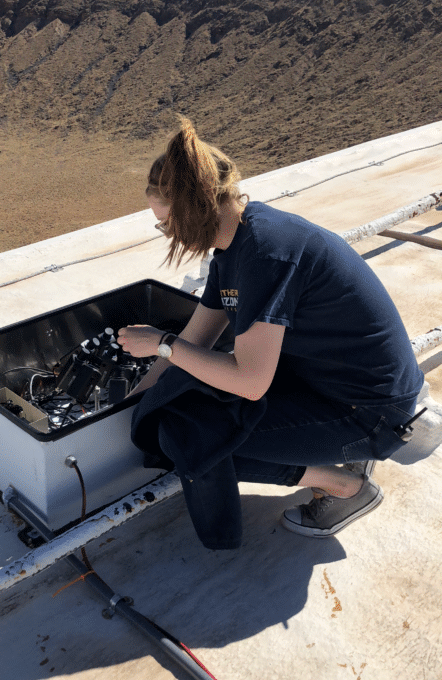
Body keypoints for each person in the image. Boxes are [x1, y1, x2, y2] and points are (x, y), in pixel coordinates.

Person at [117, 118, 424, 548]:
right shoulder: (240, 240)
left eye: (167, 224)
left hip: (372, 414)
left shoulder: (265, 254)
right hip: (337, 385)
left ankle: (345, 486)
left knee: (193, 438)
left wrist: (163, 345)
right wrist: (134, 400)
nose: (166, 234)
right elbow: (199, 336)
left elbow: (249, 380)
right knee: (186, 398)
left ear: (195, 210)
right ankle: (333, 460)